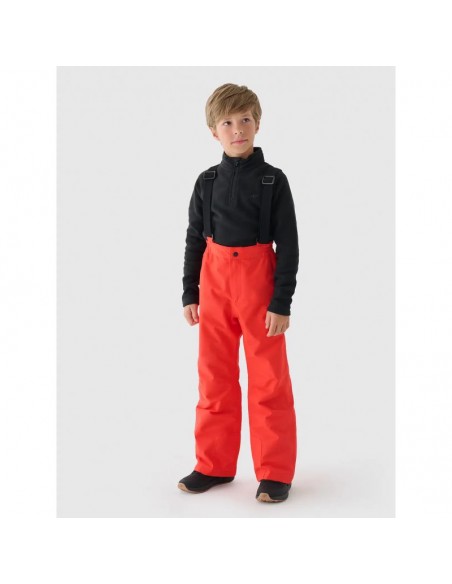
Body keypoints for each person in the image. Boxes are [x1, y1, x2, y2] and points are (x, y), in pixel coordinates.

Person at [178, 83, 299, 503]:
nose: (237, 129)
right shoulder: (206, 181)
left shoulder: (273, 180)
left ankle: (275, 472)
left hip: (258, 282)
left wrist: (281, 302)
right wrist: (190, 292)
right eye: (227, 123)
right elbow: (194, 238)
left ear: (258, 124)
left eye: (245, 120)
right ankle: (213, 465)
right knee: (214, 377)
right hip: (214, 283)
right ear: (214, 131)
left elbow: (289, 245)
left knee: (268, 380)